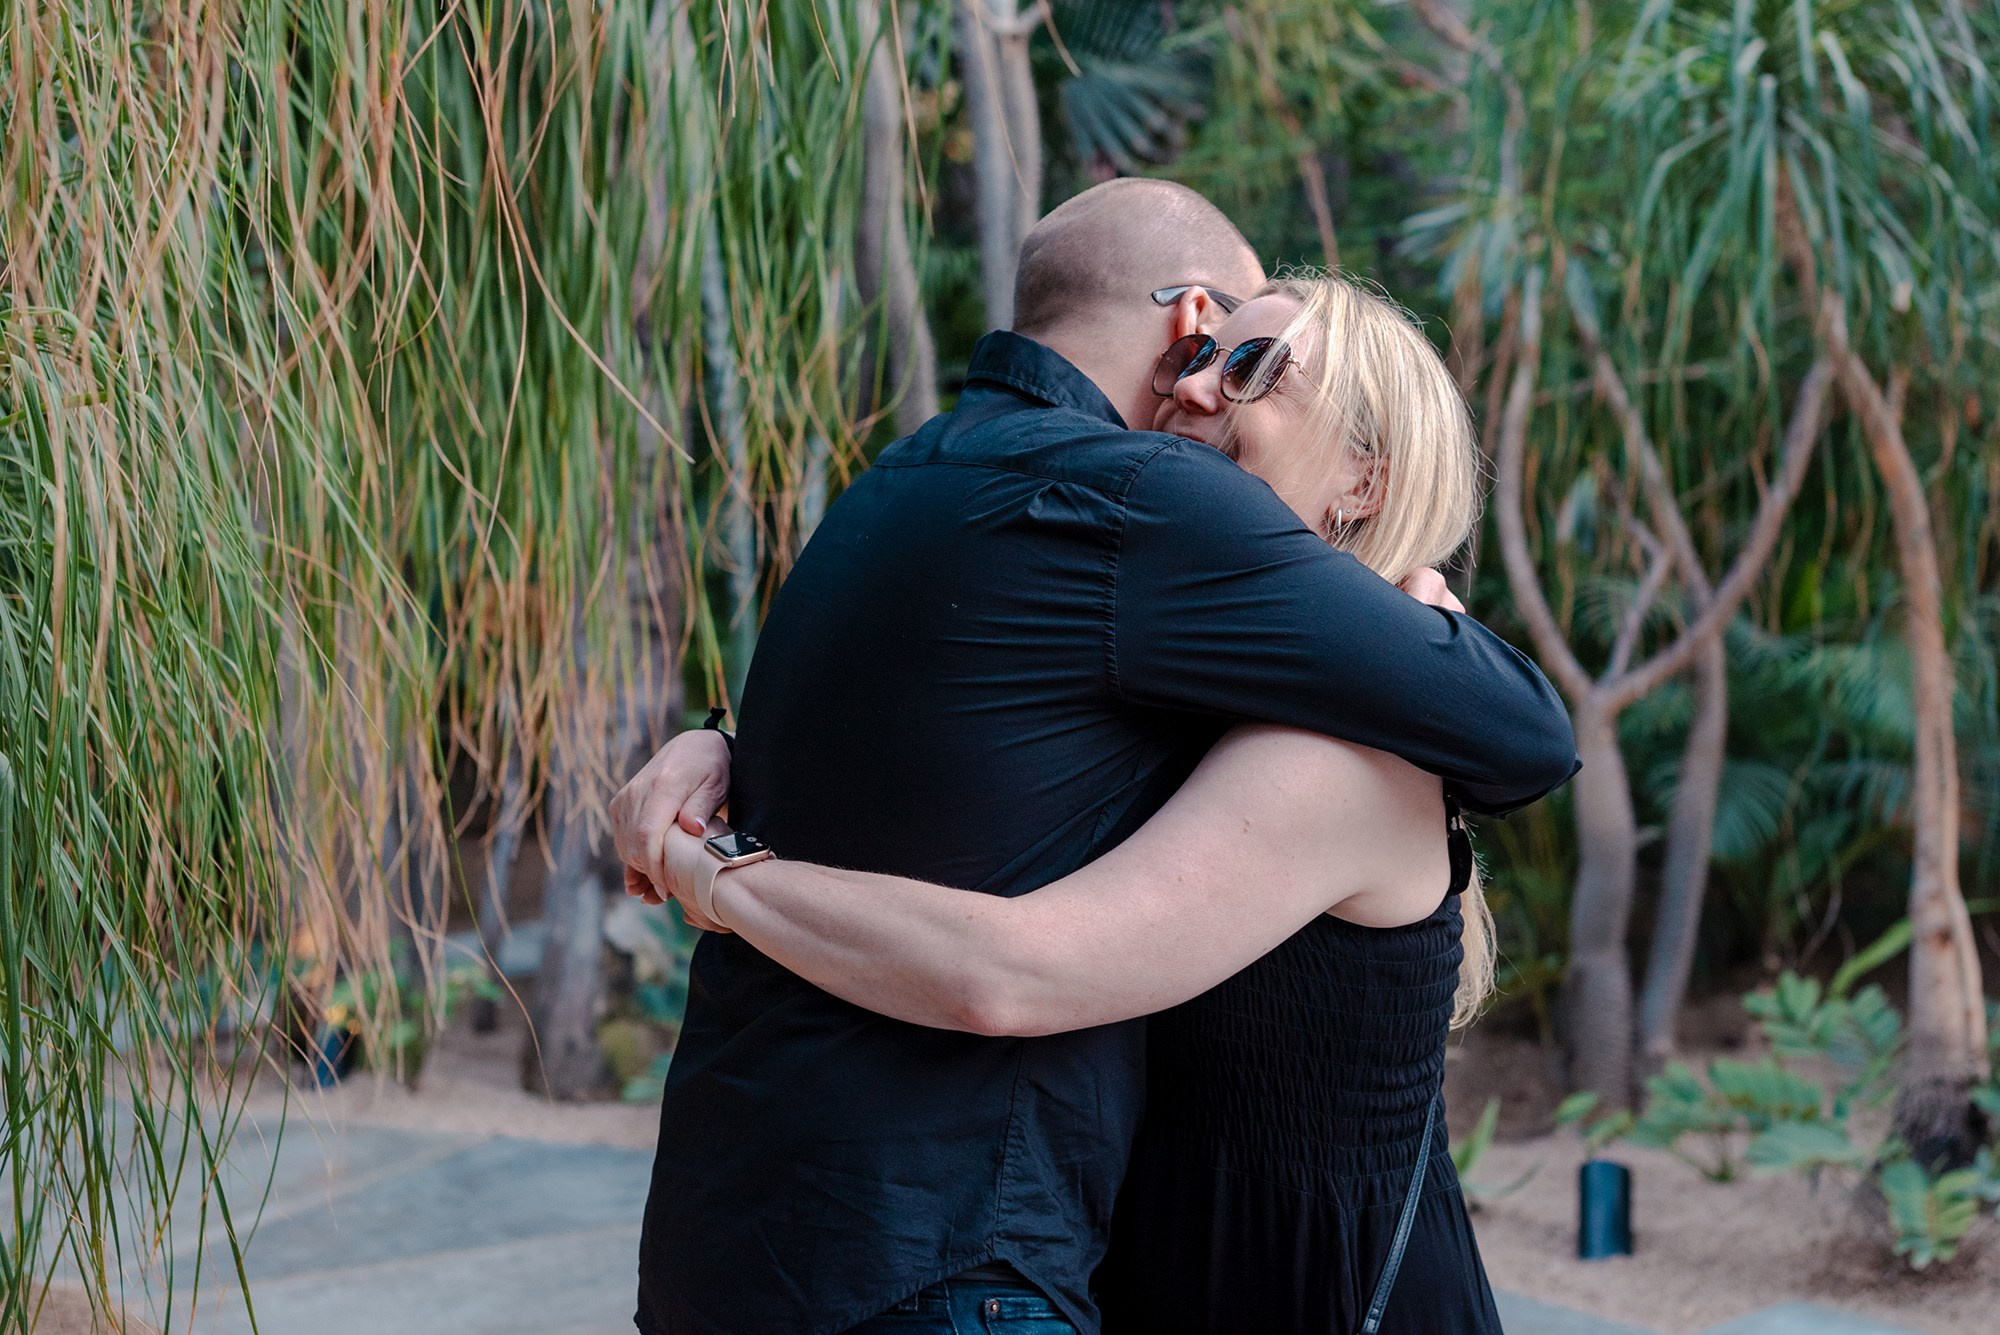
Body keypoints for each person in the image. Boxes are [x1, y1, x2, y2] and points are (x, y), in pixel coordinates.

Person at [615, 180, 1576, 1335]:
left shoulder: (1326, 742)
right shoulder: (1166, 672)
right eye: (1201, 359)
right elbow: (957, 729)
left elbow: (1012, 974)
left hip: (1301, 1294)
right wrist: (721, 742)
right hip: (1135, 1276)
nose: (1190, 387)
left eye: (1251, 370)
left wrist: (714, 874)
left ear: (1365, 478)